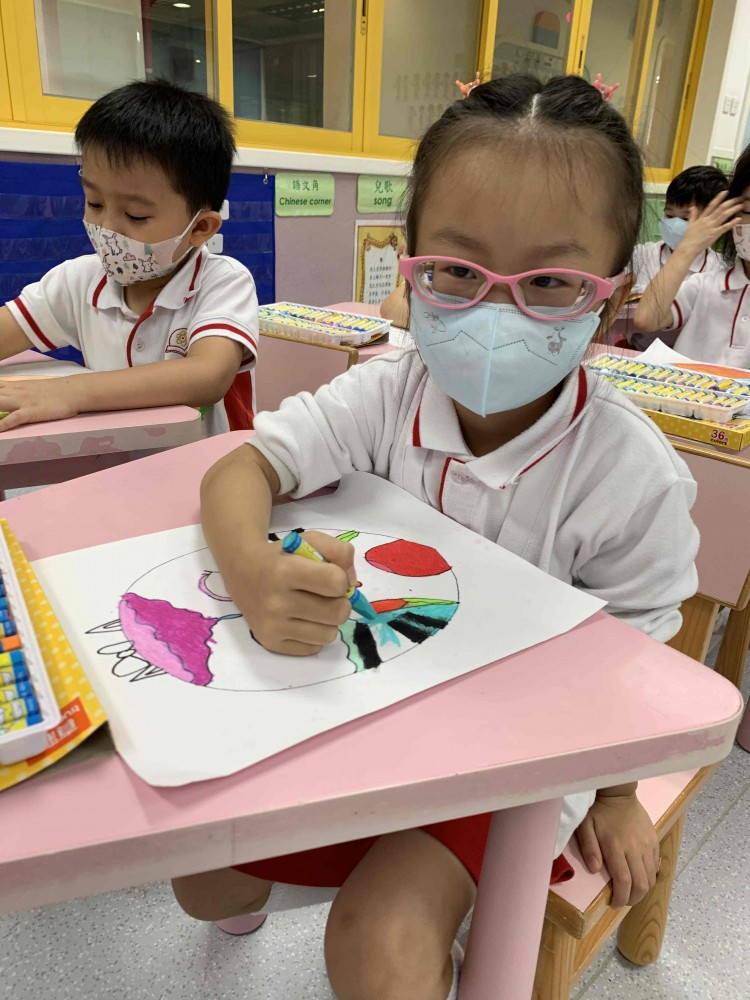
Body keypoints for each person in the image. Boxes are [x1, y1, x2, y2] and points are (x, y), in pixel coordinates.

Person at [174, 75, 698, 1000]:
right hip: (368, 713)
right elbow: (240, 469)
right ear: (407, 264)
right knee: (199, 876)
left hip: (517, 753)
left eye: (551, 282)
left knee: (379, 944)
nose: (498, 312)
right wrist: (252, 569)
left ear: (612, 296)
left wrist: (617, 792)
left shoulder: (630, 473)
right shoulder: (387, 391)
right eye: (457, 271)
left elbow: (643, 653)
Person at [0, 80, 258, 435]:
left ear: (200, 228)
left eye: (135, 215)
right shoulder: (78, 280)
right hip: (116, 455)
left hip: (209, 460)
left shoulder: (224, 280)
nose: (106, 228)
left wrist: (71, 391)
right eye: (95, 203)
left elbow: (207, 376)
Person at [633, 150, 747, 367]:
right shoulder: (707, 283)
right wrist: (687, 249)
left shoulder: (716, 264)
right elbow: (645, 319)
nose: (675, 224)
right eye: (669, 215)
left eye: (686, 219)